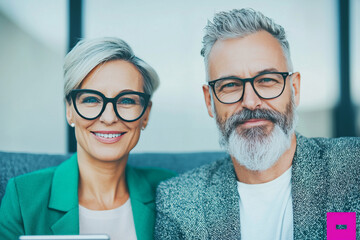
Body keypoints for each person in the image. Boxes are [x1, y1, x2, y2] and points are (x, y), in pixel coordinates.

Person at [155, 8, 360, 239]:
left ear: (294, 89)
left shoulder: (354, 168)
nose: (250, 102)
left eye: (266, 80)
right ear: (209, 100)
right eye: (230, 85)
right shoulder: (178, 202)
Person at [0, 37, 175, 240]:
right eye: (91, 99)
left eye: (127, 100)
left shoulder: (170, 190)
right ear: (69, 110)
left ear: (145, 114)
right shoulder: (24, 197)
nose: (109, 118)